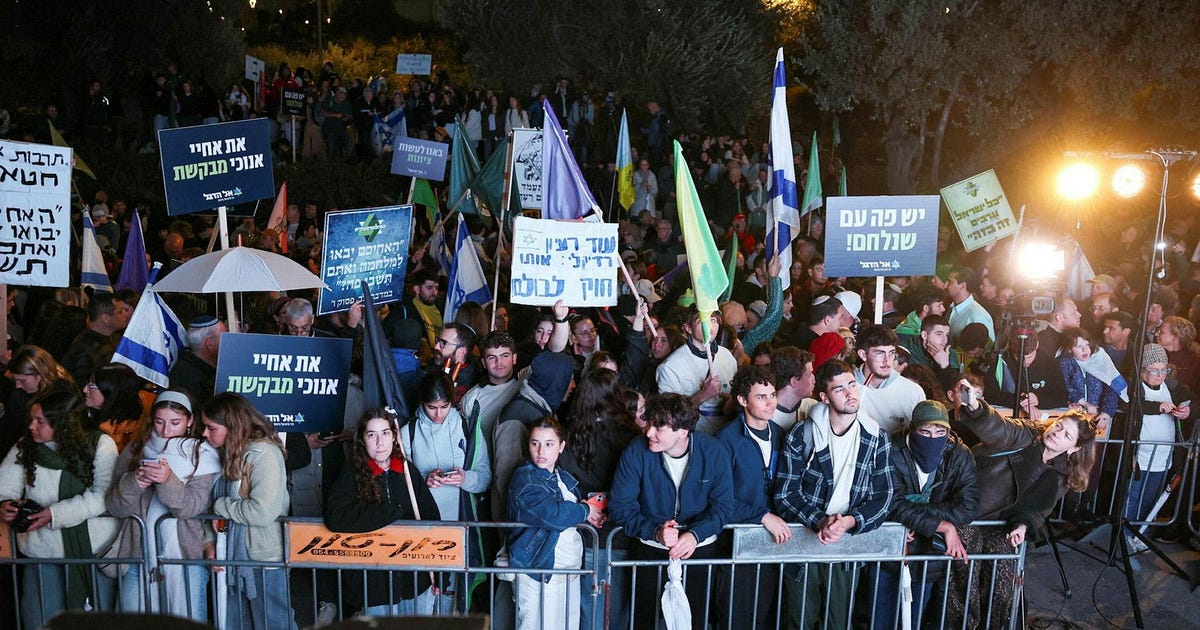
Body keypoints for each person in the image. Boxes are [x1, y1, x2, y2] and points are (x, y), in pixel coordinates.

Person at [948, 379, 1098, 628]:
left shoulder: (1064, 475)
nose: (1057, 433)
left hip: (1000, 525)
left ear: (1074, 449)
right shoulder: (1026, 434)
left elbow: (1038, 510)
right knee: (966, 575)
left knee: (1003, 583)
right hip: (967, 514)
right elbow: (998, 427)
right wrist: (975, 407)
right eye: (1059, 426)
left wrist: (1023, 525)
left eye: (1067, 435)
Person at [773, 360, 893, 630]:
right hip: (803, 544)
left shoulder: (876, 437)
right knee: (798, 621)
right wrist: (820, 521)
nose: (850, 393)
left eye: (852, 385)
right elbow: (785, 494)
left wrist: (849, 522)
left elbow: (883, 497)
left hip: (847, 545)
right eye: (839, 389)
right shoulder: (803, 434)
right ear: (825, 397)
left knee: (839, 622)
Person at [609, 393, 734, 630]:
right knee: (643, 621)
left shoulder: (713, 451)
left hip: (700, 551)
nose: (649, 432)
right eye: (649, 423)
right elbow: (620, 506)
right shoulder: (635, 451)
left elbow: (723, 507)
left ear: (683, 431)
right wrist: (654, 532)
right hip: (648, 549)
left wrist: (695, 535)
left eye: (659, 427)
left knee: (694, 622)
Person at [0, 384, 119, 628]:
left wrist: (54, 514)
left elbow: (102, 496)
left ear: (62, 424)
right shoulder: (25, 445)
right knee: (40, 620)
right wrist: (5, 504)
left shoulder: (101, 444)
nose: (31, 426)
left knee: (94, 622)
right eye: (32, 419)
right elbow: (5, 486)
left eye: (40, 422)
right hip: (42, 549)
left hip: (92, 549)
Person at [105, 388, 220, 620]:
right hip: (138, 554)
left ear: (190, 421)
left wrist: (167, 481)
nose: (166, 431)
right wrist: (134, 482)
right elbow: (115, 507)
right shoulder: (135, 450)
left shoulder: (204, 455)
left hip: (186, 557)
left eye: (175, 423)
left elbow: (191, 508)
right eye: (159, 422)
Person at [872, 400, 979, 630]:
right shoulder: (890, 449)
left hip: (930, 554)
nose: (933, 438)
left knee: (913, 618)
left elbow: (968, 506)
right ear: (912, 430)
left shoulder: (959, 455)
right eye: (926, 432)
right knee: (880, 615)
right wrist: (944, 526)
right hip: (890, 548)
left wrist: (916, 517)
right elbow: (889, 501)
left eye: (940, 432)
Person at [323, 409, 441, 616]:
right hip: (374, 584)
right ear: (362, 440)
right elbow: (336, 517)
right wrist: (389, 512)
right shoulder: (352, 474)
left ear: (394, 437)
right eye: (372, 435)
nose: (380, 442)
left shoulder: (407, 471)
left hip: (415, 579)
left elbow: (433, 521)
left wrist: (439, 575)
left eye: (385, 433)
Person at [201, 392, 297, 630]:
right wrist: (209, 543)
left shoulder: (264, 454)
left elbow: (262, 512)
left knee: (275, 624)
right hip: (234, 553)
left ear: (232, 426)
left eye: (211, 428)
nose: (204, 433)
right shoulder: (227, 453)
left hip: (264, 556)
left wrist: (221, 506)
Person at [400, 372, 492, 613]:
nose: (438, 414)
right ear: (422, 403)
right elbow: (398, 485)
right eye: (431, 407)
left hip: (459, 530)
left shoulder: (466, 427)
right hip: (421, 532)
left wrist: (465, 478)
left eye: (444, 407)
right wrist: (424, 481)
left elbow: (485, 477)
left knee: (451, 602)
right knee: (422, 601)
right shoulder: (408, 432)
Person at [558, 369, 640, 630]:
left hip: (580, 533)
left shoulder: (567, 437)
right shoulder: (632, 438)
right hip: (621, 532)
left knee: (587, 608)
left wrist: (586, 507)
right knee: (617, 610)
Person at [507, 417, 604, 630]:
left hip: (569, 568)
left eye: (549, 444)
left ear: (561, 447)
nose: (541, 451)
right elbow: (552, 514)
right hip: (538, 569)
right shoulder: (525, 479)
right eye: (535, 443)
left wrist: (584, 512)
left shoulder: (564, 478)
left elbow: (565, 512)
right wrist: (585, 510)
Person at [714, 365, 792, 629]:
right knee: (737, 616)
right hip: (736, 544)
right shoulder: (725, 441)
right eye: (761, 397)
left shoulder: (781, 435)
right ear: (742, 400)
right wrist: (761, 516)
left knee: (768, 615)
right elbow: (718, 499)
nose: (770, 403)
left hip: (775, 543)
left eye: (772, 395)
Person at [655, 308, 738, 434]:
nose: (708, 326)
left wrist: (733, 401)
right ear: (688, 328)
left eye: (713, 320)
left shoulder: (727, 356)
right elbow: (669, 417)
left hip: (729, 434)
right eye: (701, 321)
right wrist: (702, 395)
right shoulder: (669, 368)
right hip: (696, 438)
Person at [2, 345, 75, 458]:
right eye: (16, 380)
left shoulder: (62, 397)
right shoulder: (28, 389)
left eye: (22, 381)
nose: (18, 385)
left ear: (39, 374)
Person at [854, 325, 925, 435]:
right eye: (880, 353)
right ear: (863, 355)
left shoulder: (913, 392)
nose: (887, 361)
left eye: (891, 353)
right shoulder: (845, 388)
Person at [1057, 328, 1120, 435]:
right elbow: (1065, 386)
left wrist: (1106, 413)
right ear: (1070, 349)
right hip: (1072, 416)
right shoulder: (1064, 362)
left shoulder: (1100, 360)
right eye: (1079, 346)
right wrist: (1084, 403)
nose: (1085, 349)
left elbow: (1111, 388)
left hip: (1097, 416)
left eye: (1087, 345)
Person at [83, 363, 147, 453]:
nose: (85, 389)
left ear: (112, 394)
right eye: (88, 383)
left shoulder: (113, 440)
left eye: (92, 386)